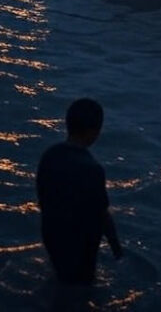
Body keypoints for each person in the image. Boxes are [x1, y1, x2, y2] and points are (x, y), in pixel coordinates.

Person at [36, 98, 123, 286]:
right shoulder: (92, 169)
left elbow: (42, 196)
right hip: (80, 245)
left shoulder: (49, 155)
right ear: (93, 132)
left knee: (59, 279)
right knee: (81, 288)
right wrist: (116, 247)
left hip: (52, 235)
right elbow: (101, 213)